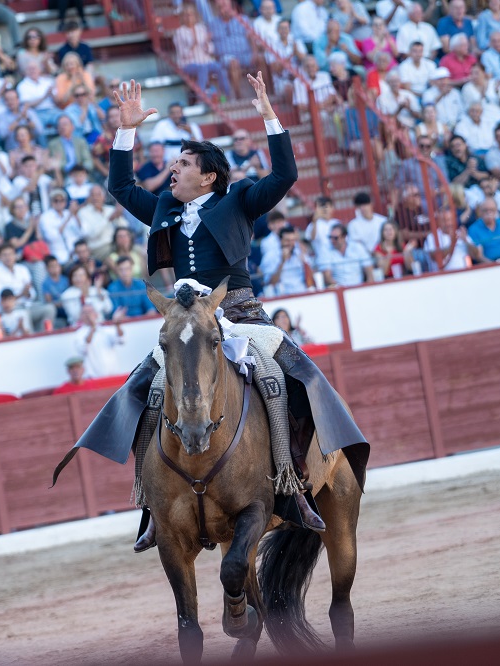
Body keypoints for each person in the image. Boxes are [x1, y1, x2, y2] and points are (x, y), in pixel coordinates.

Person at [66, 76, 368, 552]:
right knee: (145, 391)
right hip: (188, 323)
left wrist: (269, 116)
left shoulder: (239, 199)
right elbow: (120, 186)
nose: (173, 170)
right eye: (175, 163)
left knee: (292, 379)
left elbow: (284, 176)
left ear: (208, 176)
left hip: (241, 314)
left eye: (183, 164)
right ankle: (152, 505)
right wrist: (126, 131)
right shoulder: (164, 207)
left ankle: (293, 485)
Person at [74, 303, 126, 379]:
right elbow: (83, 349)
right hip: (93, 378)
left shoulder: (105, 330)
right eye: (85, 313)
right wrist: (92, 329)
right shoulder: (79, 334)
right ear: (80, 316)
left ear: (96, 314)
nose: (88, 315)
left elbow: (121, 340)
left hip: (113, 375)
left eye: (90, 312)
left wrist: (117, 325)